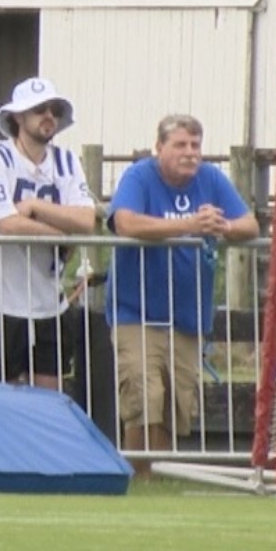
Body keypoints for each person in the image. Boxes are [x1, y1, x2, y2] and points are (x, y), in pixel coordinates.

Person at [106, 114, 258, 453]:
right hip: (137, 312)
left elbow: (250, 224)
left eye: (195, 145)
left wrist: (223, 228)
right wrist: (189, 225)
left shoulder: (211, 178)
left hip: (188, 316)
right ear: (159, 147)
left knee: (175, 405)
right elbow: (125, 222)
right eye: (180, 145)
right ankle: (140, 475)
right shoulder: (139, 176)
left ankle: (158, 479)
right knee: (144, 399)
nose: (190, 153)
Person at [0, 77, 97, 389]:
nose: (48, 115)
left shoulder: (66, 162)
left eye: (53, 109)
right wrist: (60, 233)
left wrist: (34, 205)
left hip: (49, 303)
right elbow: (6, 223)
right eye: (39, 109)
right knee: (0, 401)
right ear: (18, 117)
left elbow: (86, 219)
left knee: (48, 402)